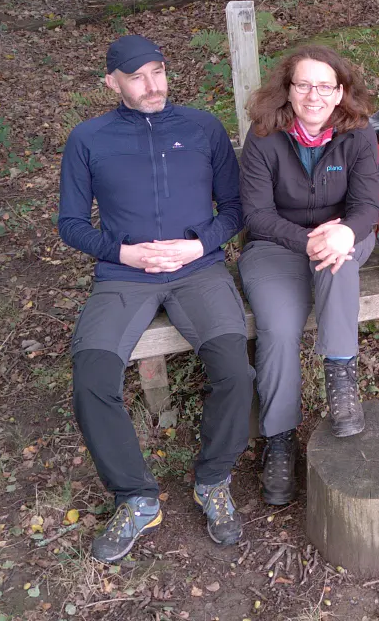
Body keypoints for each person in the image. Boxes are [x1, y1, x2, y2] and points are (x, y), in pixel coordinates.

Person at [58, 35, 253, 562]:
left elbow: (235, 209)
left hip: (200, 269)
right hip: (125, 275)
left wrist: (199, 243)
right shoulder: (88, 139)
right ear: (112, 83)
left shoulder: (202, 128)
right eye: (138, 76)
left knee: (236, 370)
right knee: (92, 376)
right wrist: (127, 254)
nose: (153, 86)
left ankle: (213, 479)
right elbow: (71, 225)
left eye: (159, 72)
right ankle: (136, 497)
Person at [237, 45, 379, 505]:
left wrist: (342, 234)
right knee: (277, 330)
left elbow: (368, 208)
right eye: (303, 85)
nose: (313, 95)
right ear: (289, 90)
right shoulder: (263, 136)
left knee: (339, 263)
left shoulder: (358, 134)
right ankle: (279, 439)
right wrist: (308, 240)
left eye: (325, 86)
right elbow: (256, 215)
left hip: (344, 236)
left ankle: (340, 378)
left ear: (340, 92)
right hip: (275, 246)